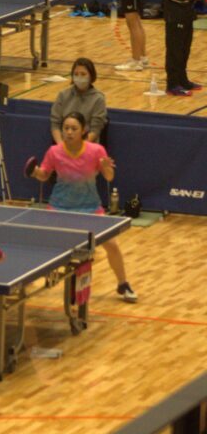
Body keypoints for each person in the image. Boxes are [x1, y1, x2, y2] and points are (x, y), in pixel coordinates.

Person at [25, 112, 138, 302]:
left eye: (73, 128)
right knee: (39, 242)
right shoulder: (54, 151)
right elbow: (44, 175)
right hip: (59, 207)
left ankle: (123, 284)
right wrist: (34, 171)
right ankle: (25, 280)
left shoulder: (96, 150)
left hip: (89, 208)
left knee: (112, 245)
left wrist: (106, 167)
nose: (69, 132)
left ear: (83, 130)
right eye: (66, 128)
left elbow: (109, 177)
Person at [51, 58, 108, 143]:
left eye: (83, 74)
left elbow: (95, 130)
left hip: (87, 146)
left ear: (91, 76)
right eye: (76, 74)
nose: (79, 77)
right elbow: (55, 124)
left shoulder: (98, 98)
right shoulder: (63, 95)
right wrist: (61, 146)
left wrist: (79, 148)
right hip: (63, 145)